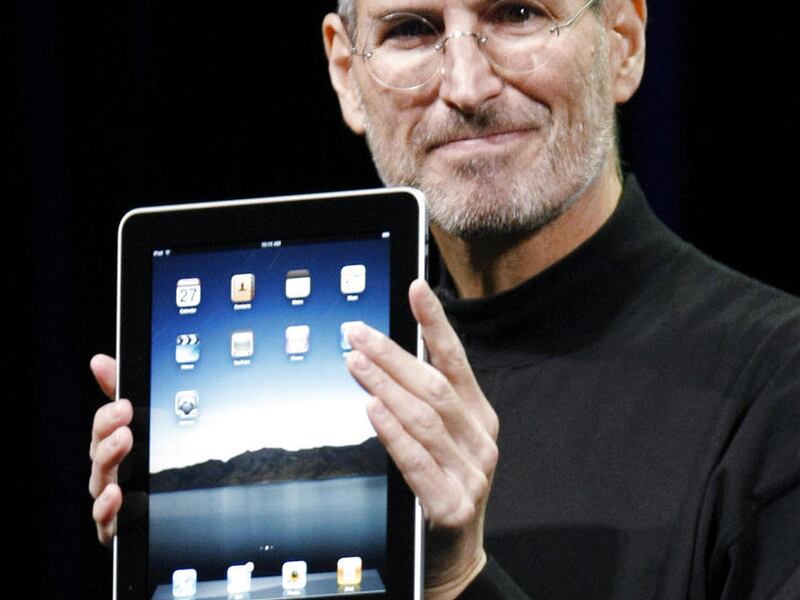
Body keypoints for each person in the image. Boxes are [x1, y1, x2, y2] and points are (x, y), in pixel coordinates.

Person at [89, 0, 800, 598]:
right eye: (411, 30)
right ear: (346, 72)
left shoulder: (776, 383)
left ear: (623, 40)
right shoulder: (350, 375)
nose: (466, 86)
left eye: (517, 13)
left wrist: (461, 580)